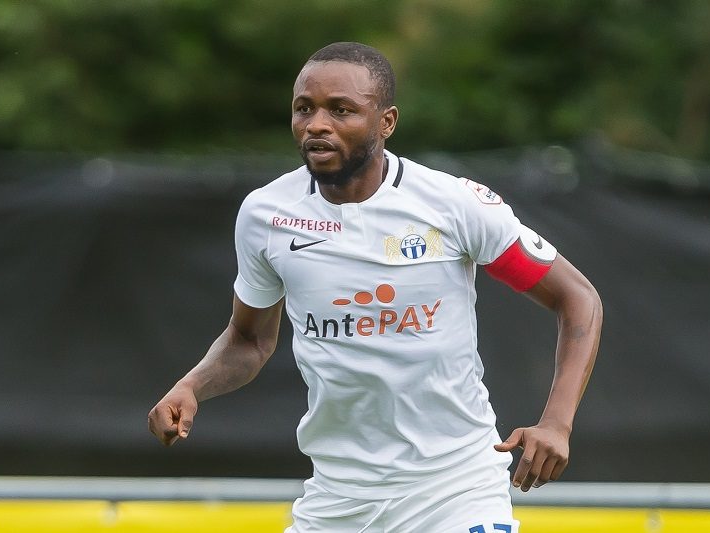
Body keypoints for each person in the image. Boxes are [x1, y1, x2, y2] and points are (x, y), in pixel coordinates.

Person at [148, 42, 603, 533]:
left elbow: (577, 299)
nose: (317, 124)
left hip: (455, 490)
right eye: (304, 108)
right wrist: (191, 386)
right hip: (339, 500)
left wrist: (556, 423)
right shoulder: (266, 215)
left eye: (340, 110)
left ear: (386, 122)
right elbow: (249, 340)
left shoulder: (453, 205)